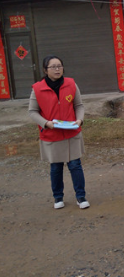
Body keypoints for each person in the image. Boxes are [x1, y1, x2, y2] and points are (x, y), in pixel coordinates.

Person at [28, 55, 90, 210]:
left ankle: (81, 196)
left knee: (75, 165)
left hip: (71, 132)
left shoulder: (71, 84)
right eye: (53, 67)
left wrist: (79, 120)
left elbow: (79, 105)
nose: (57, 69)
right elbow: (33, 112)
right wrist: (46, 123)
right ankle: (58, 197)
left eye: (59, 66)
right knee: (55, 167)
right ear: (45, 70)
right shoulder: (37, 88)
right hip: (52, 134)